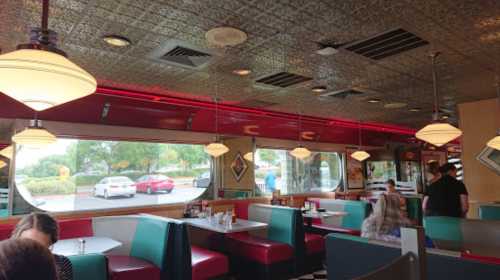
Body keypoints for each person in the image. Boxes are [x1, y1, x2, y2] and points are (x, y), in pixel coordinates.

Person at [11, 212, 72, 280]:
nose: (32, 252)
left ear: (50, 244)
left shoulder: (61, 263)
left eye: (40, 248)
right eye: (26, 245)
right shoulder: (5, 265)